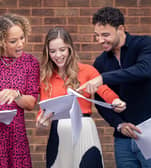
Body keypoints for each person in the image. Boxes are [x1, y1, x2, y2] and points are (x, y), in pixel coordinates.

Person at [77, 6, 151, 168]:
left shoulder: (145, 44)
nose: (100, 40)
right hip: (123, 140)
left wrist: (102, 78)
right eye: (97, 36)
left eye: (105, 35)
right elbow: (101, 101)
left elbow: (144, 70)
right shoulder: (101, 62)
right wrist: (118, 124)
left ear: (121, 29)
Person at [36, 27, 126, 168]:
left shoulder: (87, 70)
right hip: (59, 132)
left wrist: (115, 101)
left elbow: (104, 90)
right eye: (52, 51)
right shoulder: (46, 78)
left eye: (62, 50)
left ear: (70, 49)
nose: (58, 55)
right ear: (47, 53)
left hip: (84, 128)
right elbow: (45, 108)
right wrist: (41, 120)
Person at [0, 13, 40, 167]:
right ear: (2, 41)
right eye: (13, 41)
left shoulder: (30, 62)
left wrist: (16, 95)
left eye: (22, 38)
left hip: (16, 137)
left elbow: (30, 103)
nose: (20, 44)